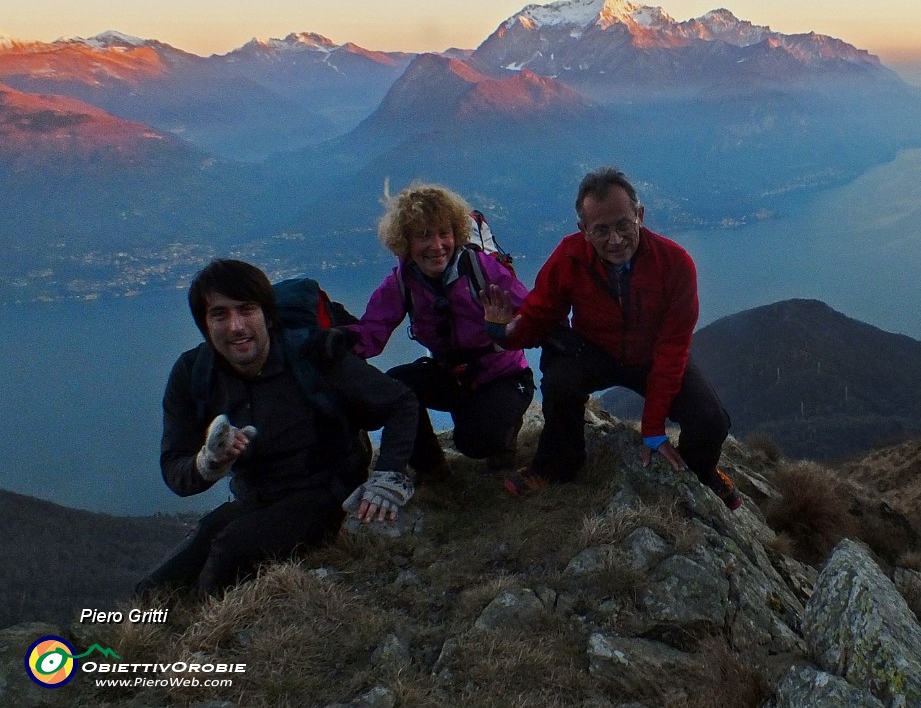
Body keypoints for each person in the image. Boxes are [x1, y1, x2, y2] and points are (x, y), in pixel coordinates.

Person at [138, 259, 418, 598]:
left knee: (226, 559)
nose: (236, 326)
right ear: (204, 325)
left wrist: (387, 477)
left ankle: (209, 640)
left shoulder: (311, 354)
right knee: (155, 589)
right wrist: (209, 462)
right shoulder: (192, 374)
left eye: (246, 310)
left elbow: (401, 401)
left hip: (326, 492)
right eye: (220, 315)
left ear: (268, 317)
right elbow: (174, 469)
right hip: (257, 497)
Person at [481, 166, 739, 509]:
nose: (615, 240)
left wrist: (652, 428)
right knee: (560, 380)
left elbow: (674, 347)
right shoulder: (569, 257)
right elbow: (541, 314)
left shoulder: (675, 264)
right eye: (600, 230)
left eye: (623, 225)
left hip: (652, 357)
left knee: (710, 422)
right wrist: (502, 332)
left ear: (640, 216)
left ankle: (701, 471)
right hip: (595, 349)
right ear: (583, 230)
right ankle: (557, 465)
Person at [350, 183, 535, 478]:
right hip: (453, 376)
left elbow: (533, 312)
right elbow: (371, 330)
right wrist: (333, 343)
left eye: (444, 233)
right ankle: (431, 470)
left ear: (456, 234)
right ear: (405, 242)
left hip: (503, 376)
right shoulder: (402, 282)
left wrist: (506, 328)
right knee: (395, 386)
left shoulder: (481, 269)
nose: (437, 246)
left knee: (475, 442)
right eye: (423, 235)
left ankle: (503, 443)